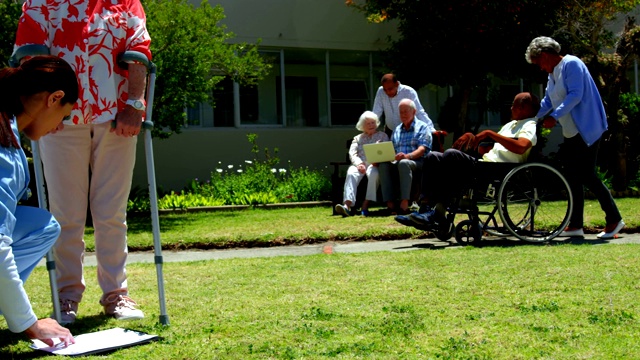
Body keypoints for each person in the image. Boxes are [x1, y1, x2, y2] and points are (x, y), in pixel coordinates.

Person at [14, 0, 152, 324]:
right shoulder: (41, 2)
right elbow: (29, 54)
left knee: (111, 212)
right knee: (65, 214)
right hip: (59, 118)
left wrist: (135, 104)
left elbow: (139, 51)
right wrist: (41, 109)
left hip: (117, 117)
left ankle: (117, 296)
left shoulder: (126, 2)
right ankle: (67, 296)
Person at [0, 56, 78, 346]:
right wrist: (30, 324)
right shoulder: (4, 152)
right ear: (54, 98)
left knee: (42, 225)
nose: (58, 126)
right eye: (64, 114)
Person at [525, 36, 624, 239]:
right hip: (571, 131)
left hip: (587, 128)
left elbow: (575, 95)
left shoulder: (572, 63)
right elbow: (547, 100)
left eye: (539, 63)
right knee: (572, 176)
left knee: (588, 175)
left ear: (545, 55)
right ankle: (576, 224)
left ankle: (614, 219)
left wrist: (554, 116)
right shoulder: (553, 73)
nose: (541, 68)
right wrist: (532, 119)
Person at [394, 92, 540, 228]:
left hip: (499, 170)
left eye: (514, 105)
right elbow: (489, 148)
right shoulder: (510, 125)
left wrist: (489, 133)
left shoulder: (529, 125)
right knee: (433, 156)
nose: (511, 107)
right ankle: (424, 209)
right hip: (486, 165)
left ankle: (438, 213)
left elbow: (521, 147)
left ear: (523, 108)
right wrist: (472, 139)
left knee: (451, 155)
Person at [379, 99, 432, 214]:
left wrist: (407, 156)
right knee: (383, 165)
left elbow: (422, 149)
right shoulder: (397, 129)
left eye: (405, 111)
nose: (403, 114)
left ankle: (404, 203)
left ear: (414, 111)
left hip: (418, 162)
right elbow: (392, 149)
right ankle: (390, 204)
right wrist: (388, 155)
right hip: (399, 161)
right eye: (401, 112)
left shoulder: (423, 127)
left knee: (404, 163)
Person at [335, 111, 389, 217]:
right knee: (351, 173)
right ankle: (347, 205)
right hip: (360, 165)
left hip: (375, 164)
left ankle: (365, 204)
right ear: (362, 126)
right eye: (368, 123)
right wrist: (359, 163)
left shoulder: (383, 136)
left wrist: (377, 160)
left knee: (374, 174)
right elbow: (352, 153)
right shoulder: (357, 138)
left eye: (373, 122)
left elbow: (386, 152)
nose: (371, 125)